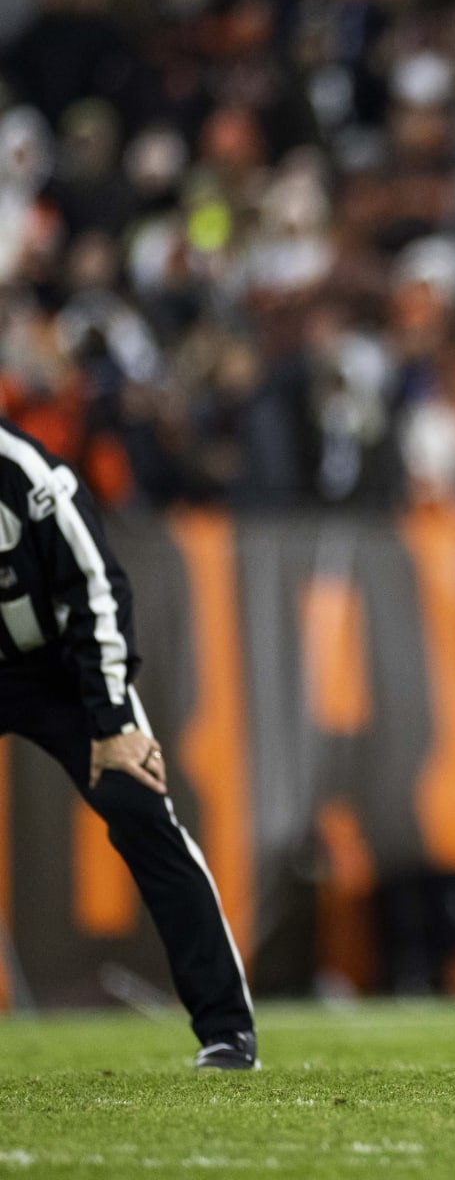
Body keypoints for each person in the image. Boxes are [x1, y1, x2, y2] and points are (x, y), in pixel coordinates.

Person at [0, 415, 258, 1070]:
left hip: (57, 666)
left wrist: (113, 721)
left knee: (141, 807)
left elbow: (96, 588)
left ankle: (227, 1029)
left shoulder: (26, 475)